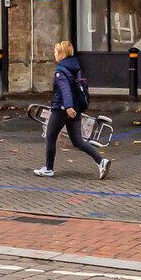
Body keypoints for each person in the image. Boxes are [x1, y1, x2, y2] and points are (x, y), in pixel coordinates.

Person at [34, 40, 109, 179]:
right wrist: (72, 107)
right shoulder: (75, 68)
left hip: (62, 110)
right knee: (78, 141)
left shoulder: (60, 71)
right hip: (75, 110)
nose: (54, 53)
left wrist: (67, 106)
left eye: (56, 51)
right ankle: (101, 161)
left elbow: (65, 90)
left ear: (62, 54)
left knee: (50, 137)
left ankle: (49, 168)